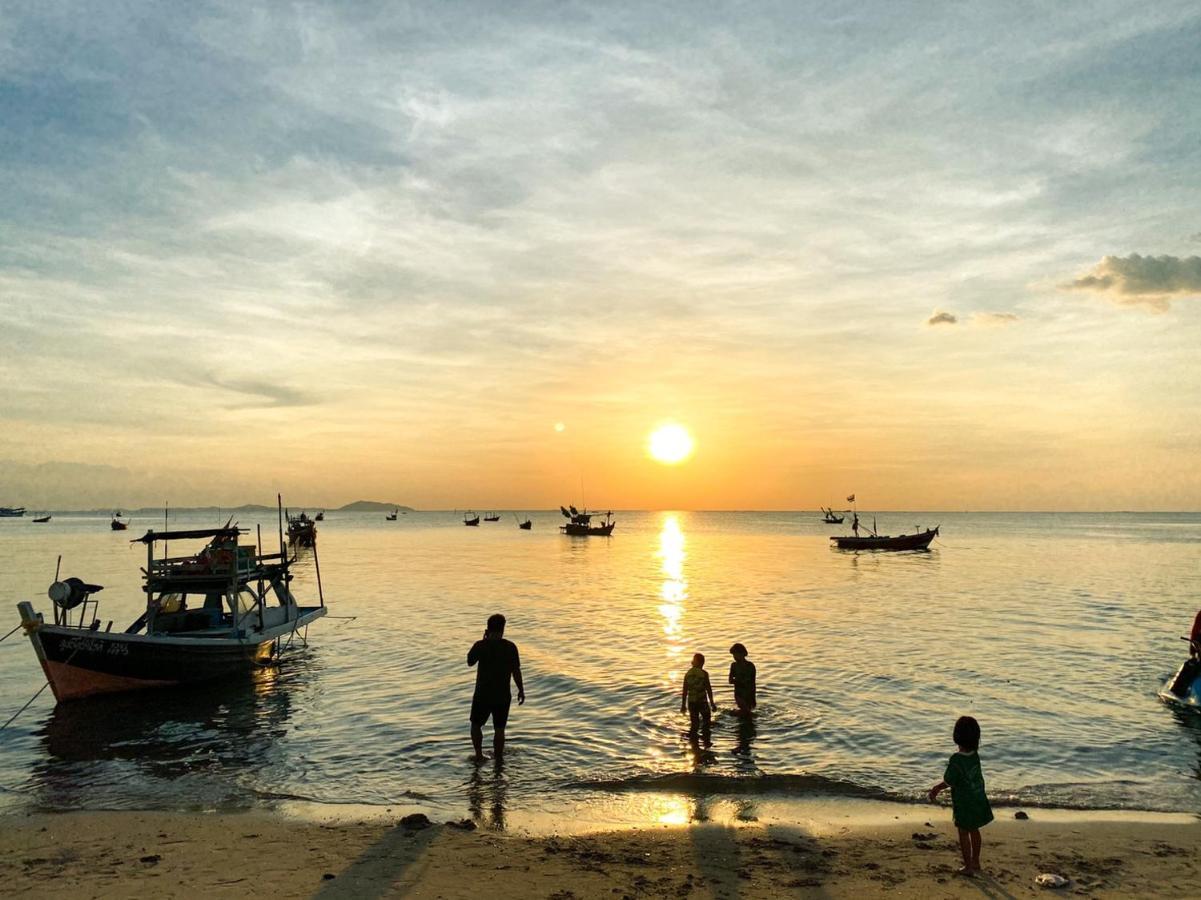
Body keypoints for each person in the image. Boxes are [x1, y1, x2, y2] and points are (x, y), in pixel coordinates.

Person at [928, 716, 994, 876]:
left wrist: (937, 788)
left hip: (964, 803)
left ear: (956, 736)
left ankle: (968, 866)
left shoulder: (956, 759)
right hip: (978, 799)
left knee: (963, 832)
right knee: (974, 830)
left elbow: (950, 780)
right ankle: (976, 861)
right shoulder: (974, 755)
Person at [467, 613, 525, 762]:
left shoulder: (481, 645)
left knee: (475, 725)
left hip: (482, 694)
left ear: (488, 628)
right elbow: (516, 671)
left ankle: (479, 756)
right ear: (503, 628)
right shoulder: (510, 647)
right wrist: (521, 689)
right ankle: (498, 760)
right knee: (500, 729)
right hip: (502, 695)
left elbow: (470, 661)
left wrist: (483, 640)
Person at [680, 652, 717, 739]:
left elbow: (685, 691)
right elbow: (708, 689)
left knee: (694, 723)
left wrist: (683, 705)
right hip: (702, 702)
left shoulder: (687, 674)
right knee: (706, 721)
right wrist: (712, 703)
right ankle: (706, 740)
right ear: (702, 663)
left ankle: (693, 742)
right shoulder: (704, 673)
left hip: (691, 702)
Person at [728, 643, 757, 716]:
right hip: (739, 693)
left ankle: (734, 713)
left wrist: (753, 697)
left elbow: (753, 682)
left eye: (735, 654)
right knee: (747, 712)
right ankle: (733, 713)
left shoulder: (750, 666)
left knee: (747, 714)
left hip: (749, 693)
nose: (734, 657)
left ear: (742, 654)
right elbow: (730, 680)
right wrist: (740, 682)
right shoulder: (734, 665)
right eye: (733, 655)